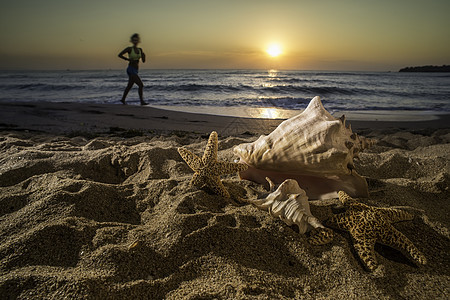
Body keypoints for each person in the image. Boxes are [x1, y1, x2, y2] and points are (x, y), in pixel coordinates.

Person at [118, 33, 148, 105]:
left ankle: (122, 99)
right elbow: (119, 55)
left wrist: (144, 56)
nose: (135, 41)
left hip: (136, 70)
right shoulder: (129, 49)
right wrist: (128, 60)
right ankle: (142, 101)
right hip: (130, 69)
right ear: (132, 41)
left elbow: (143, 61)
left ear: (138, 41)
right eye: (134, 40)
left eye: (136, 40)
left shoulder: (140, 50)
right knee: (141, 85)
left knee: (129, 86)